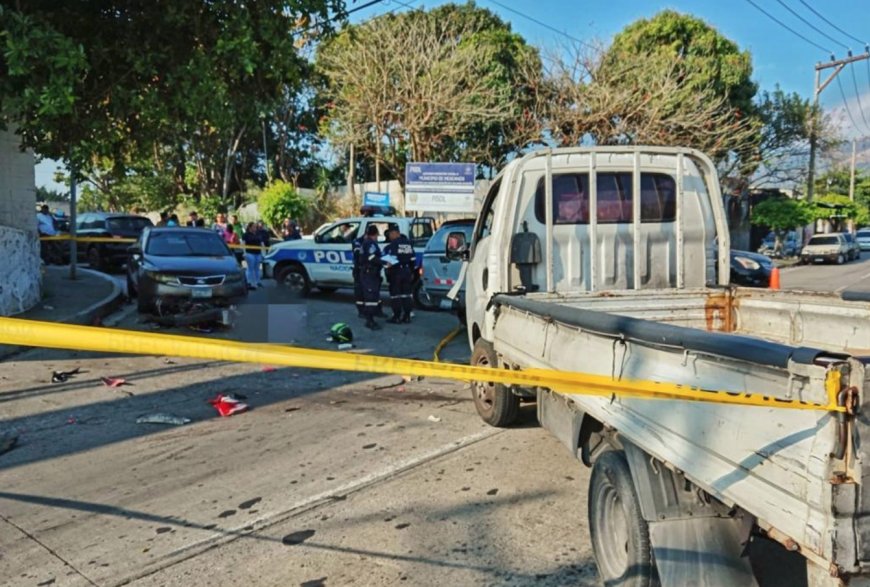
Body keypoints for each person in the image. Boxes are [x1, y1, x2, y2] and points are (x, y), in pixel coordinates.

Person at [382, 224, 416, 323]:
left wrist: (387, 273)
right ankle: (407, 316)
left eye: (390, 234)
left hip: (396, 272)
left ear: (395, 233)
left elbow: (390, 261)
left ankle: (396, 317)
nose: (389, 236)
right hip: (407, 271)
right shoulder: (408, 244)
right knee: (407, 295)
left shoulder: (392, 245)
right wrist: (411, 271)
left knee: (395, 295)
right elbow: (413, 259)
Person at [359, 224, 385, 330]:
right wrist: (384, 262)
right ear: (374, 234)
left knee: (374, 296)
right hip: (369, 273)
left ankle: (372, 317)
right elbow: (372, 257)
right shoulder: (369, 244)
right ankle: (369, 321)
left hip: (372, 273)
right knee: (370, 297)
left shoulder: (368, 243)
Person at [242, 222, 264, 289]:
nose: (255, 228)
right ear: (250, 227)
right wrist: (244, 253)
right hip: (250, 253)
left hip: (258, 253)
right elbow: (243, 244)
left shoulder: (258, 234)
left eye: (255, 226)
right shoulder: (246, 235)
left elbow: (261, 243)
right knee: (250, 268)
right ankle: (249, 282)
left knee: (257, 268)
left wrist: (263, 253)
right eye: (253, 226)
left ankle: (257, 282)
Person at [351, 233, 365, 317]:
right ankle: (361, 311)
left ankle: (374, 310)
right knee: (359, 291)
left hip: (365, 270)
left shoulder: (368, 242)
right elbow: (357, 255)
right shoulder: (357, 243)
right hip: (359, 269)